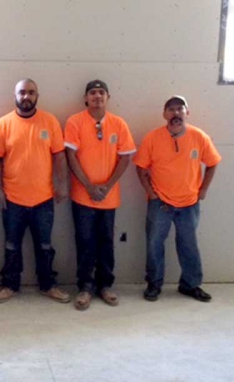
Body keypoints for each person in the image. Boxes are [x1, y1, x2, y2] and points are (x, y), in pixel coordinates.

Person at [0, 78, 70, 304]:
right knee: (11, 245)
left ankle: (48, 285)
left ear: (37, 95)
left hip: (44, 198)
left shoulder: (50, 121)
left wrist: (62, 185)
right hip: (12, 199)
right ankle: (9, 285)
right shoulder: (3, 124)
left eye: (31, 92)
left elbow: (59, 156)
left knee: (45, 246)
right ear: (15, 96)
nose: (26, 96)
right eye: (22, 92)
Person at [134, 95, 221, 303]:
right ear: (164, 114)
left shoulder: (199, 137)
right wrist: (151, 192)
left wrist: (203, 189)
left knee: (188, 245)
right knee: (155, 244)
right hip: (160, 203)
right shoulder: (152, 138)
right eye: (171, 109)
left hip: (189, 203)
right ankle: (154, 284)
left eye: (180, 109)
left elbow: (212, 163)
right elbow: (140, 167)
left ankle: (190, 285)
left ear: (187, 113)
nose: (175, 113)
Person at [64, 80, 136, 310]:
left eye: (101, 93)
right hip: (82, 196)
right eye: (92, 93)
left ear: (108, 97)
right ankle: (85, 287)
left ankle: (105, 285)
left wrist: (107, 185)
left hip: (109, 197)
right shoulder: (75, 121)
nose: (97, 96)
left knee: (106, 242)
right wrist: (89, 186)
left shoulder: (118, 123)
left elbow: (125, 157)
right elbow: (70, 156)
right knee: (85, 242)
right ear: (86, 98)